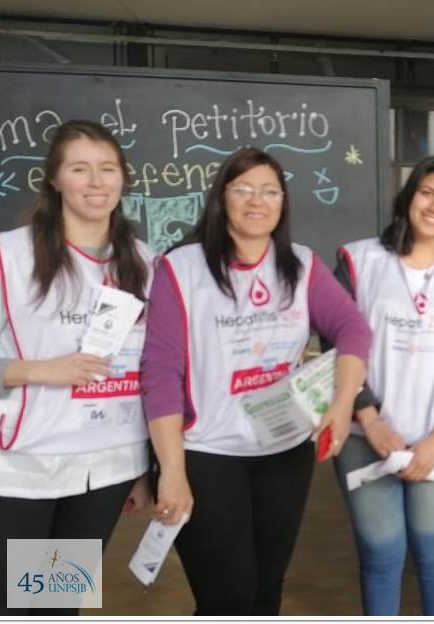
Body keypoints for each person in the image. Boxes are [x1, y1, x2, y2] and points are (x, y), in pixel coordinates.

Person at [0, 120, 154, 615]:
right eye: (80, 169)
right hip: (11, 473)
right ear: (54, 179)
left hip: (105, 473)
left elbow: (148, 375)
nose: (96, 182)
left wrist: (144, 468)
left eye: (107, 168)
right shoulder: (7, 254)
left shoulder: (145, 262)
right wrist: (40, 371)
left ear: (123, 177)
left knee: (57, 607)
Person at [140, 147, 371, 615]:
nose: (256, 201)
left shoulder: (300, 265)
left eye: (269, 191)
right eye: (242, 189)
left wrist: (343, 400)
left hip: (282, 451)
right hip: (206, 454)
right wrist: (172, 471)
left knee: (265, 593)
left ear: (283, 202)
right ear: (221, 197)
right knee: (228, 599)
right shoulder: (181, 268)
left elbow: (352, 328)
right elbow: (160, 372)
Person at [332, 156, 434, 616]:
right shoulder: (359, 261)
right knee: (382, 553)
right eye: (427, 193)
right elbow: (336, 346)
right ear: (408, 197)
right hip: (363, 436)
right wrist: (369, 418)